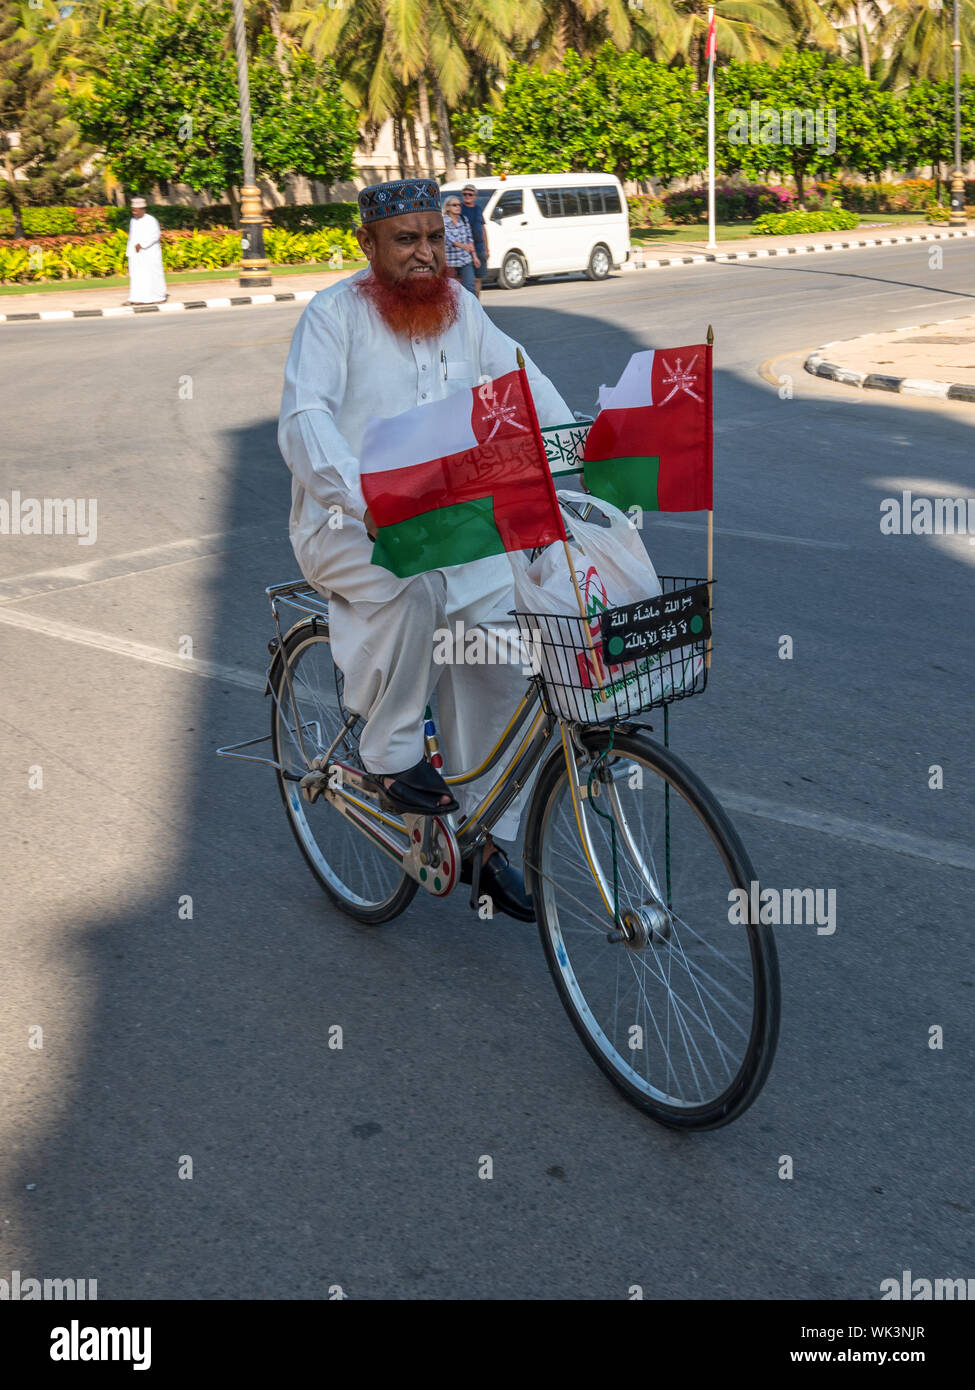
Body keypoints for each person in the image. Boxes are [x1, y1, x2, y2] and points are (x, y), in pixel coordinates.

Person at [278, 178, 572, 921]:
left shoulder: (461, 309)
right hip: (345, 526)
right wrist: (363, 499)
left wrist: (568, 451)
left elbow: (518, 381)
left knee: (505, 644)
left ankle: (487, 842)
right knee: (413, 588)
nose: (424, 254)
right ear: (368, 245)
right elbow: (304, 418)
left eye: (436, 238)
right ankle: (388, 753)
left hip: (448, 523)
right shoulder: (331, 317)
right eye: (405, 240)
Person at [124, 197, 166, 306]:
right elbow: (132, 237)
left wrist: (142, 244)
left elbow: (155, 235)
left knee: (153, 275)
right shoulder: (133, 220)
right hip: (136, 254)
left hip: (150, 253)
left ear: (143, 209)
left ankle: (158, 297)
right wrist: (130, 251)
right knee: (137, 276)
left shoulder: (151, 220)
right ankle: (136, 298)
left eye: (135, 210)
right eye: (132, 210)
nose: (133, 212)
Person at [442, 195, 476, 295]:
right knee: (451, 290)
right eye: (454, 205)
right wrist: (464, 246)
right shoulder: (443, 222)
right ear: (447, 207)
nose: (458, 207)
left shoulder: (464, 220)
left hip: (465, 259)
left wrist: (474, 256)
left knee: (470, 287)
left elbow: (469, 238)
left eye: (459, 205)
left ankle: (472, 309)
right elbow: (449, 239)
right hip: (451, 261)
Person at [460, 183, 489, 298]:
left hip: (479, 248)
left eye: (470, 194)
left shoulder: (478, 209)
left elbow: (483, 229)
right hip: (464, 249)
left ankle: (477, 304)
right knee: (467, 281)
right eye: (465, 194)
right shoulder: (459, 209)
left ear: (475, 196)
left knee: (478, 279)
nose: (467, 196)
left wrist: (487, 248)